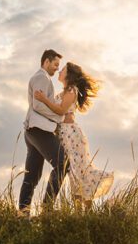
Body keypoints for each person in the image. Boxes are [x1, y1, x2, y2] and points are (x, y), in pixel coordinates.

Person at [34, 61, 114, 204]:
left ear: (68, 74)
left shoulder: (71, 90)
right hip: (64, 135)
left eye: (62, 69)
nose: (59, 71)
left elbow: (60, 111)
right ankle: (82, 214)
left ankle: (85, 211)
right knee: (73, 173)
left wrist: (44, 99)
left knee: (78, 171)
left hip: (72, 135)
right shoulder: (62, 93)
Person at [18, 49, 69, 213]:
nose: (56, 68)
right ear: (46, 62)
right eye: (55, 64)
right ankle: (47, 208)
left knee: (32, 175)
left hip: (33, 131)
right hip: (39, 130)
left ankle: (22, 214)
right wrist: (58, 117)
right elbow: (38, 105)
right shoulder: (41, 77)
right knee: (63, 163)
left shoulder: (42, 78)